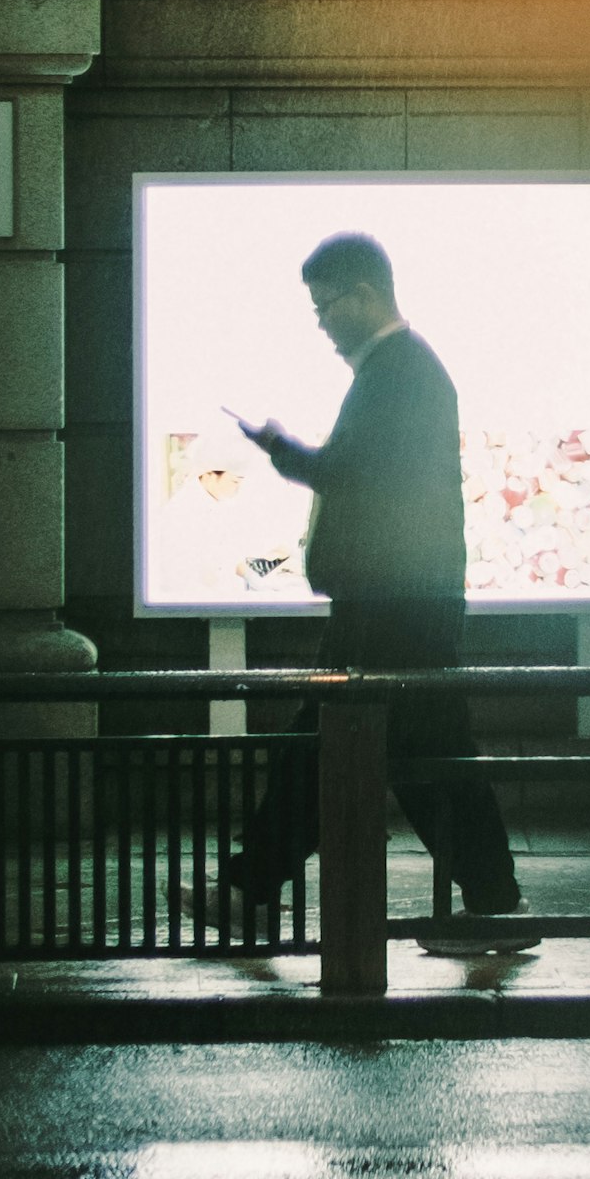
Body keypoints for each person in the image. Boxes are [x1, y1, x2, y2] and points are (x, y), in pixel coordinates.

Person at [224, 232, 530, 960]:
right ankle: (250, 891)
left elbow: (351, 473)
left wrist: (279, 448)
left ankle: (497, 906)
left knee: (396, 756)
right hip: (395, 602)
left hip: (391, 606)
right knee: (374, 752)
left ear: (364, 294)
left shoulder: (399, 373)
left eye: (326, 304)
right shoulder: (403, 370)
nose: (321, 321)